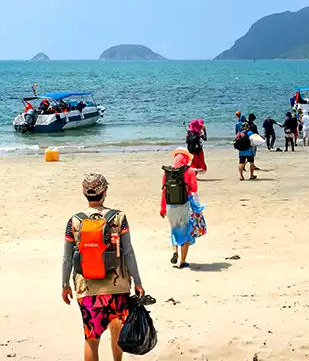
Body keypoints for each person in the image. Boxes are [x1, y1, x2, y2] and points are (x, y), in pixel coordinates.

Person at [62, 173, 145, 361]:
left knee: (91, 338)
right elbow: (128, 252)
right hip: (118, 287)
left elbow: (67, 258)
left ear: (84, 193)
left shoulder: (74, 221)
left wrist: (64, 284)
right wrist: (138, 282)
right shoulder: (119, 217)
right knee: (116, 331)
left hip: (87, 288)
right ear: (105, 192)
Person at [160, 148, 206, 269]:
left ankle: (175, 251)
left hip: (170, 205)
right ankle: (182, 260)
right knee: (184, 231)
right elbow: (194, 189)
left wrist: (162, 208)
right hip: (184, 205)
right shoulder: (189, 170)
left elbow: (164, 191)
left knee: (174, 229)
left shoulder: (167, 172)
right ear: (186, 159)